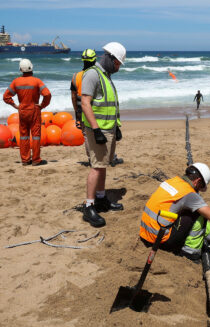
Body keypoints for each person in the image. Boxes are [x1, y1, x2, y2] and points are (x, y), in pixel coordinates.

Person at [140, 163, 210, 262]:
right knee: (199, 214)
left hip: (145, 234)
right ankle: (191, 254)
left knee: (189, 210)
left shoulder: (172, 181)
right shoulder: (189, 194)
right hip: (160, 240)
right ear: (198, 181)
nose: (199, 191)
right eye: (200, 187)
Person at [81, 42, 126, 228]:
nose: (118, 68)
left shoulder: (105, 76)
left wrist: (117, 126)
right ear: (110, 58)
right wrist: (96, 129)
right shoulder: (92, 74)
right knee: (96, 166)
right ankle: (89, 206)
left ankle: (101, 199)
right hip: (98, 130)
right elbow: (85, 103)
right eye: (117, 64)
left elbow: (109, 103)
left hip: (109, 129)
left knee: (103, 165)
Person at [3, 58, 51, 166]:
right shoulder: (37, 81)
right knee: (36, 136)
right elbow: (47, 94)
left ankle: (25, 160)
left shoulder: (16, 82)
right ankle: (36, 160)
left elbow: (6, 96)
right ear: (31, 68)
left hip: (23, 111)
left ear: (20, 69)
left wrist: (15, 105)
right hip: (34, 110)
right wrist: (42, 105)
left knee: (24, 136)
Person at [71, 49, 97, 162]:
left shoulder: (76, 76)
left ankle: (91, 158)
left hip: (81, 109)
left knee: (86, 135)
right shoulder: (97, 75)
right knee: (100, 132)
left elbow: (73, 96)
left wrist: (76, 111)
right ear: (94, 60)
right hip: (96, 109)